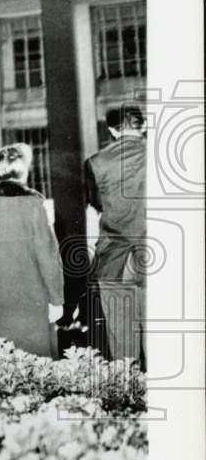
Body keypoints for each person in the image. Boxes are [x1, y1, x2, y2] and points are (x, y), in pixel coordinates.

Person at [0, 144, 63, 358]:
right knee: (34, 366)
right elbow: (48, 254)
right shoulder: (35, 203)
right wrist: (57, 299)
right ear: (24, 168)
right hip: (31, 299)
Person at [85, 104, 147, 366]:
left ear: (111, 130)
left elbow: (96, 208)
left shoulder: (95, 162)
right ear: (142, 126)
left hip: (113, 259)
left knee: (122, 339)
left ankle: (126, 398)